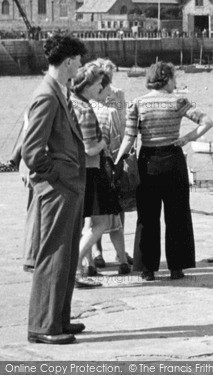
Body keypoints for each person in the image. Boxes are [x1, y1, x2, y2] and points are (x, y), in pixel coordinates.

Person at [115, 61, 213, 281]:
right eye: (174, 79)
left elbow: (129, 138)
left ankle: (147, 269)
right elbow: (207, 121)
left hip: (148, 161)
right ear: (167, 79)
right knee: (177, 215)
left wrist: (117, 161)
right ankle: (176, 267)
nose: (176, 82)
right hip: (173, 158)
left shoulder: (137, 103)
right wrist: (187, 138)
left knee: (147, 217)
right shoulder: (178, 101)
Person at [21, 34, 88, 345]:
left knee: (67, 257)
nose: (81, 66)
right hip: (58, 189)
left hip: (68, 187)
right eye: (79, 61)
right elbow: (31, 151)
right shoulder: (47, 95)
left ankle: (58, 318)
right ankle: (44, 325)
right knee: (53, 257)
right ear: (70, 61)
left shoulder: (58, 91)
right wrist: (57, 175)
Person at [70, 64, 123, 288]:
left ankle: (79, 268)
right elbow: (90, 148)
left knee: (87, 225)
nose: (101, 87)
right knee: (100, 224)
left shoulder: (72, 102)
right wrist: (104, 142)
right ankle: (74, 269)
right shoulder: (84, 109)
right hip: (92, 169)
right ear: (89, 85)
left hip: (79, 171)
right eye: (98, 84)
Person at [87, 58, 132, 269]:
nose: (110, 80)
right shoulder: (103, 97)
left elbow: (122, 125)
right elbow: (121, 127)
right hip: (107, 153)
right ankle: (106, 253)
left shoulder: (115, 95)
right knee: (105, 208)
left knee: (108, 207)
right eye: (108, 76)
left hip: (109, 154)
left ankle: (109, 252)